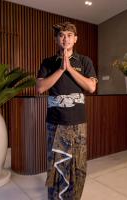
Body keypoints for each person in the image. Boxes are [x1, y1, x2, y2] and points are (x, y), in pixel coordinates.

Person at [36, 21, 97, 200]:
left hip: (78, 122)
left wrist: (70, 68)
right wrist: (61, 69)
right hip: (55, 122)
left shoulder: (84, 61)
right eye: (62, 35)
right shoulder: (48, 62)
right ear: (57, 39)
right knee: (55, 164)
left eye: (69, 35)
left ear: (75, 39)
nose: (66, 38)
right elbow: (40, 88)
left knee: (78, 165)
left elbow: (91, 87)